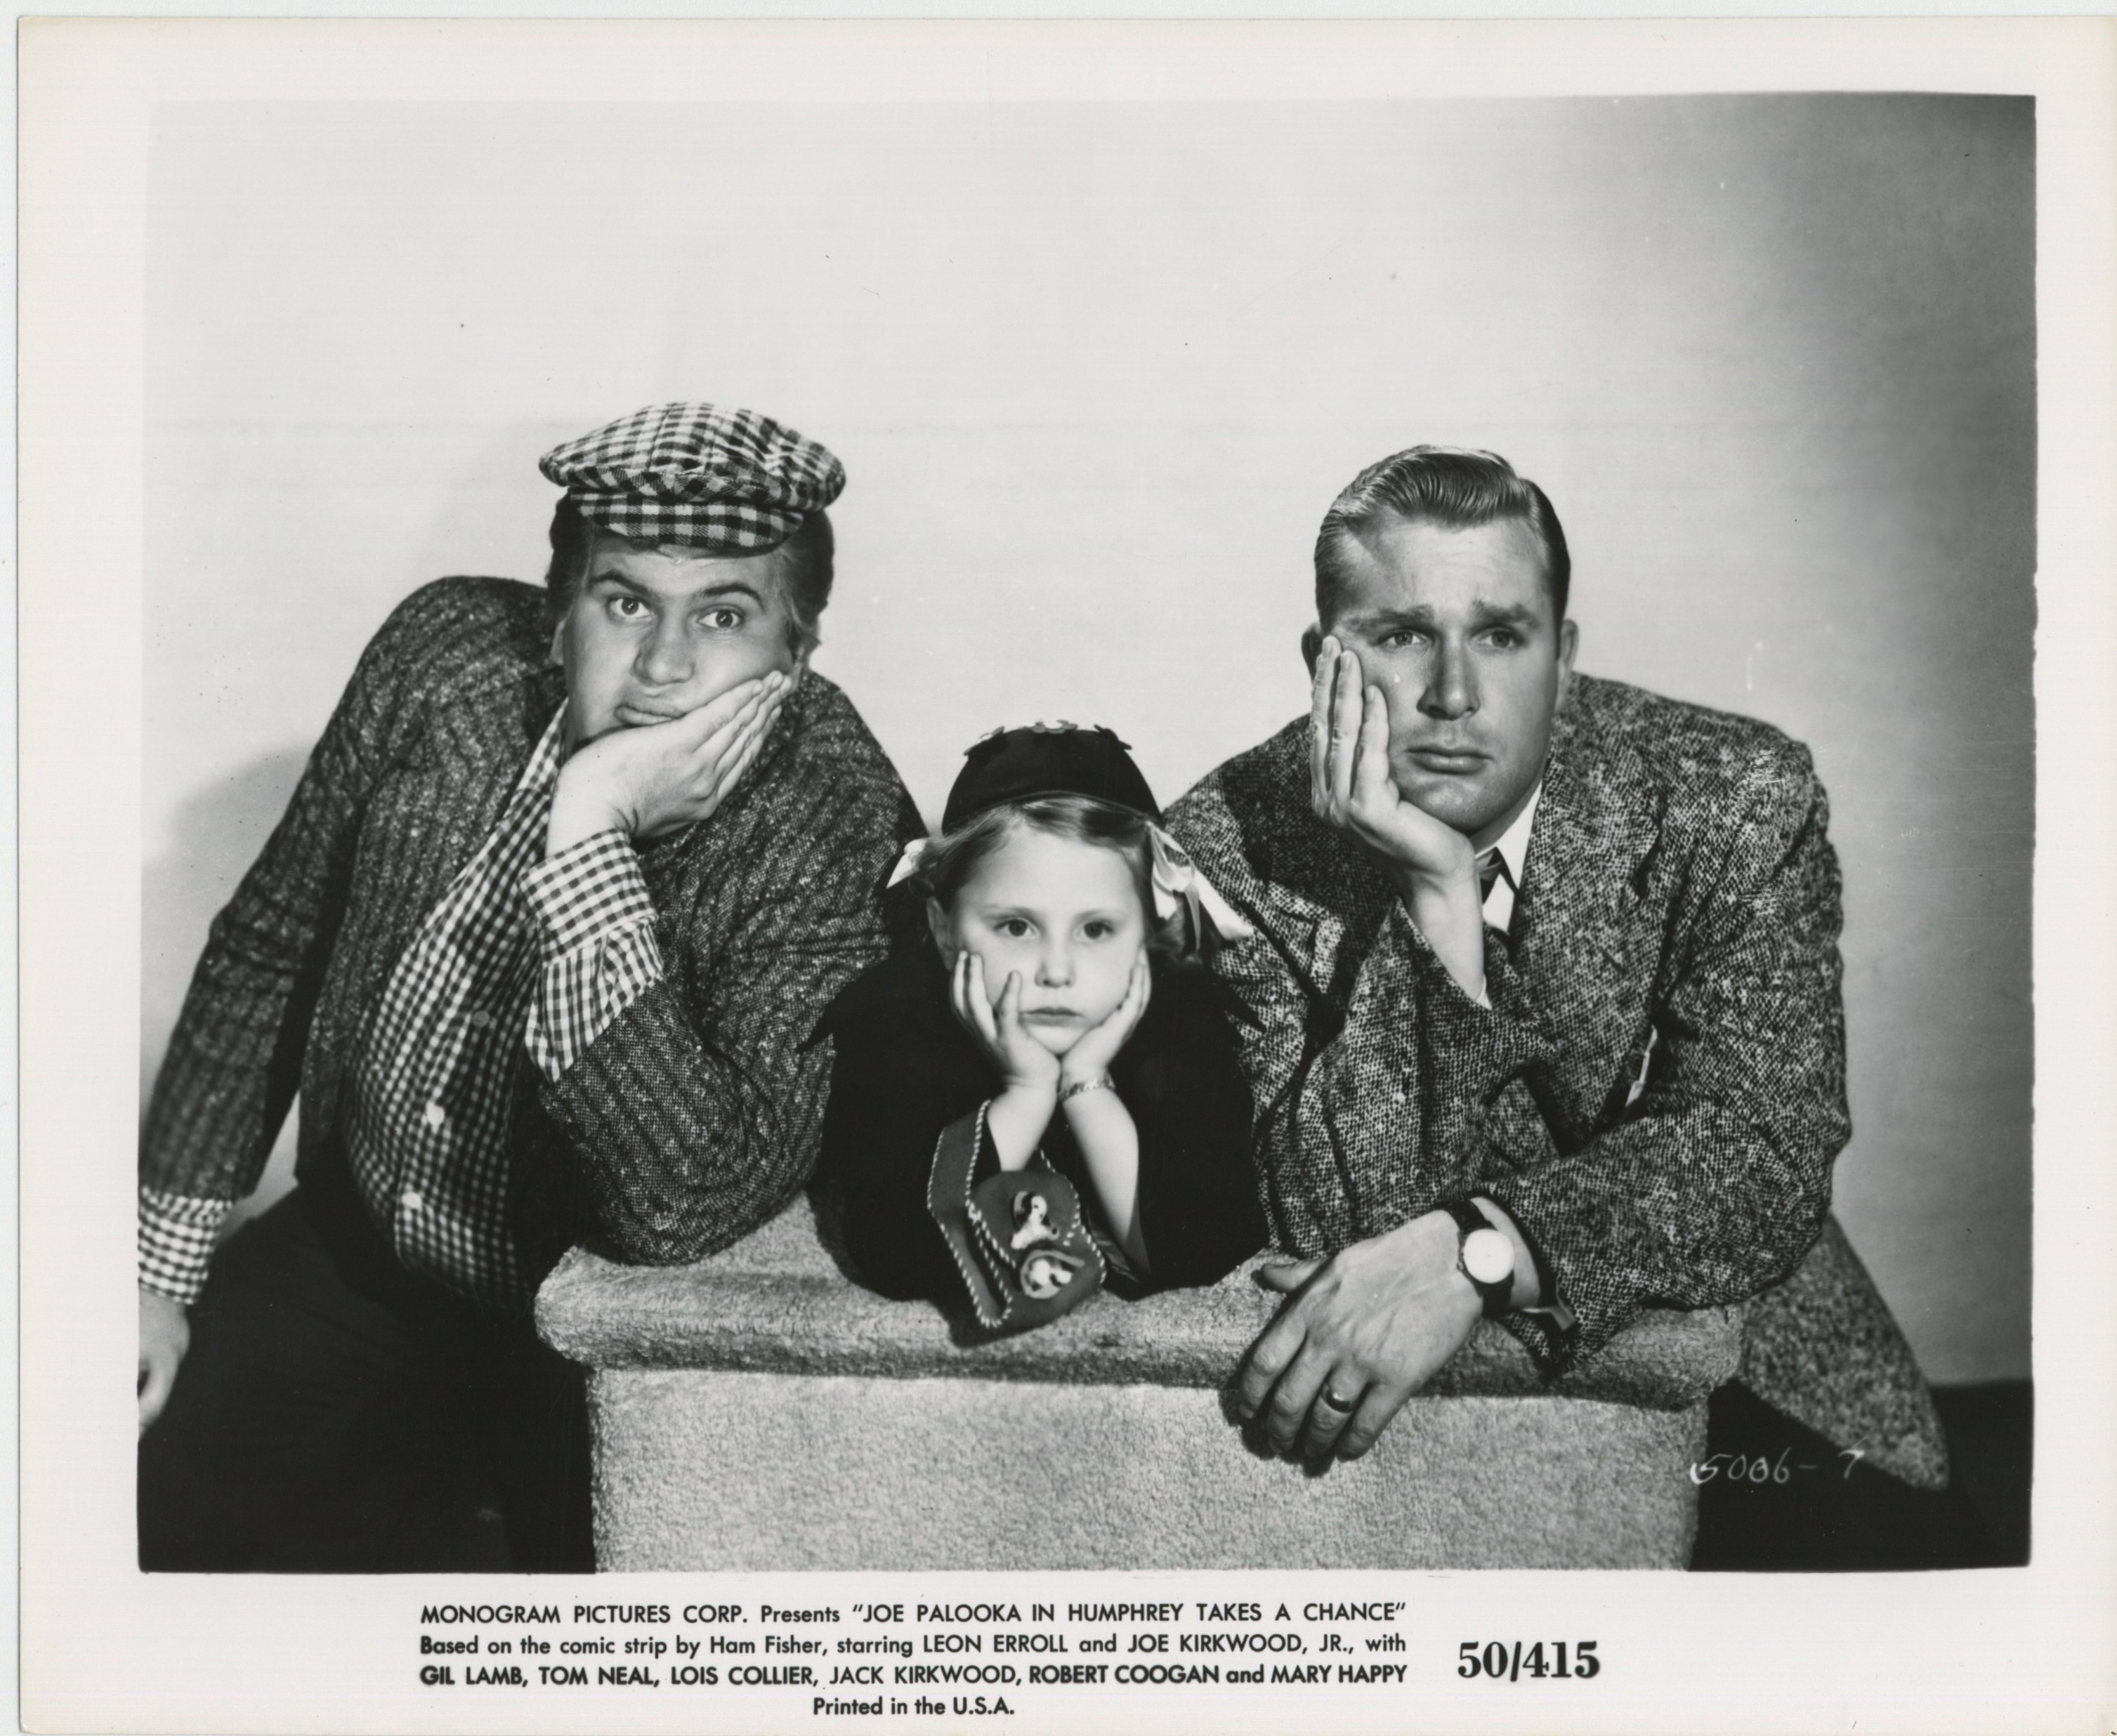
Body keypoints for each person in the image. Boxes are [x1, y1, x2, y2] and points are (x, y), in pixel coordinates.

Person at [136, 402, 922, 1570]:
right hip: (364, 1252)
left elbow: (678, 1205)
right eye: (623, 602)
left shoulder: (836, 823)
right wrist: (154, 1279)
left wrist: (593, 826)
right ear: (557, 614)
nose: (662, 665)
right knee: (143, 1508)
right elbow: (271, 944)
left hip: (589, 1333)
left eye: (723, 612)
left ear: (795, 654)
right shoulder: (443, 654)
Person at [1166, 445, 1976, 1568]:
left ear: (1563, 657)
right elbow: (1335, 1232)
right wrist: (1435, 894)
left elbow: (1759, 1146)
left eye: (1500, 635)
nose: (1453, 692)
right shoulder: (1222, 848)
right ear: (1324, 663)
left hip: (1738, 1368)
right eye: (1402, 635)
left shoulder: (1732, 796)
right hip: (1419, 1465)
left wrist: (1480, 1248)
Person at [812, 725, 1266, 1331]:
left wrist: (1086, 1085)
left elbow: (1197, 1250)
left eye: (1097, 930)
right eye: (1017, 928)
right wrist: (1026, 1093)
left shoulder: (1176, 1027)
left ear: (1148, 936)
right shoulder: (900, 1027)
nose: (1057, 971)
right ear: (945, 931)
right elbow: (895, 1255)